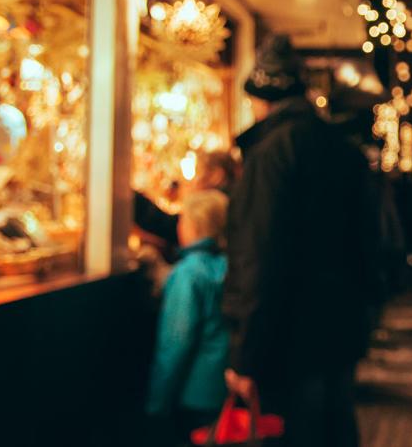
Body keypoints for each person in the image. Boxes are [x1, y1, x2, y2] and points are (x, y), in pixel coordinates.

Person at [222, 35, 381, 447]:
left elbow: (260, 255)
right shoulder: (343, 151)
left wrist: (246, 353)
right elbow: (369, 243)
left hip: (288, 339)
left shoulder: (272, 153)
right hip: (338, 330)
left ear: (263, 99)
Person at [145, 189, 230, 445]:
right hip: (222, 386)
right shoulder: (231, 265)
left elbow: (175, 341)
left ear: (194, 226)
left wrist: (157, 402)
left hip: (194, 391)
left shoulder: (189, 274)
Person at [134, 150, 240, 260]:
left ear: (216, 176)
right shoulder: (232, 200)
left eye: (197, 172)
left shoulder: (213, 207)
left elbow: (169, 227)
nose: (193, 180)